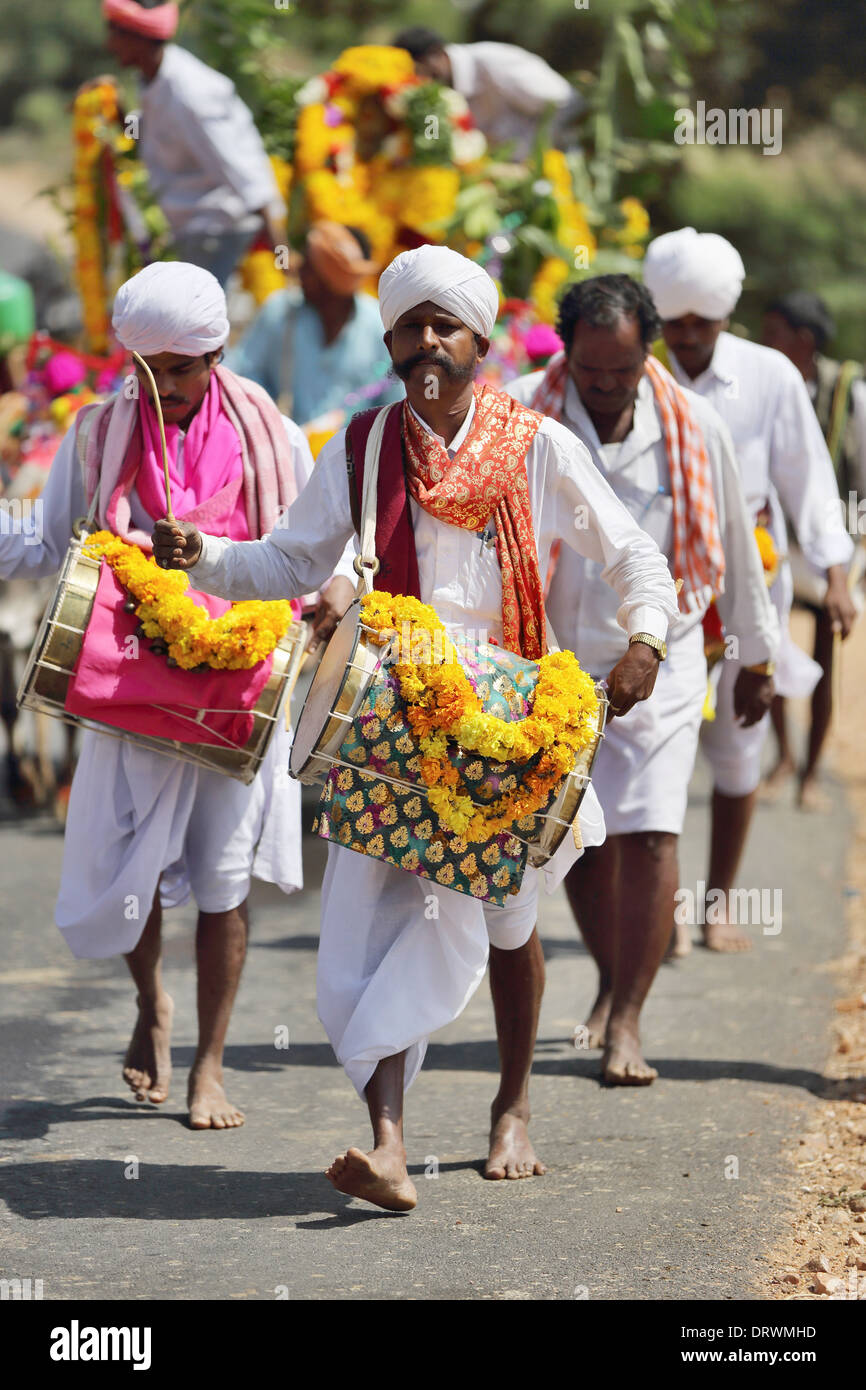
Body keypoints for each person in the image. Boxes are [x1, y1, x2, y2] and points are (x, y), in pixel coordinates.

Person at [153, 244, 679, 1210]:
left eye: (446, 325)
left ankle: (512, 1105)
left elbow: (635, 557)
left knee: (511, 921)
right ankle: (388, 1144)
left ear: (481, 341)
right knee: (374, 929)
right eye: (410, 325)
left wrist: (645, 640)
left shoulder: (537, 444)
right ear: (389, 340)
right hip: (388, 718)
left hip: (511, 719)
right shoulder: (358, 447)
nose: (427, 340)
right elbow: (287, 563)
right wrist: (205, 557)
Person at [0, 262, 354, 1128]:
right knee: (134, 868)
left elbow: (309, 544)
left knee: (223, 878)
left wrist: (333, 592)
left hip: (240, 681)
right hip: (126, 680)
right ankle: (151, 1003)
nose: (162, 387)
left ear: (216, 355)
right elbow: (50, 542)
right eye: (145, 369)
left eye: (181, 370)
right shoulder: (96, 433)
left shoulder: (269, 429)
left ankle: (210, 1064)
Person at [507, 276, 778, 1082]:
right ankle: (610, 976)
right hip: (553, 657)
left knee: (653, 831)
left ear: (646, 353)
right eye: (591, 372)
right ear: (567, 355)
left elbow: (732, 539)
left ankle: (627, 1019)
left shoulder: (694, 425)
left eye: (622, 371)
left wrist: (757, 657)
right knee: (585, 842)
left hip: (667, 654)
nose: (606, 386)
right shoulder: (521, 413)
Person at [643, 228, 856, 953]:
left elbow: (808, 481)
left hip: (747, 594)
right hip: (658, 596)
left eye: (703, 324)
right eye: (676, 325)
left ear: (726, 318)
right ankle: (658, 911)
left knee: (738, 749)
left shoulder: (770, 377)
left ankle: (720, 905)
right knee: (658, 746)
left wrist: (835, 573)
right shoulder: (638, 375)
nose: (689, 337)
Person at [761, 291, 866, 809]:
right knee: (771, 646)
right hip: (775, 547)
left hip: (830, 549)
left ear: (803, 341)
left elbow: (861, 479)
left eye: (774, 332)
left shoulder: (849, 392)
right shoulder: (767, 385)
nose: (765, 341)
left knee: (826, 654)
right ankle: (783, 757)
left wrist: (849, 555)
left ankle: (811, 770)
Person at [100, 0, 283, 286]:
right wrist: (114, 108)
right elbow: (145, 135)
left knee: (199, 321)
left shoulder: (191, 91)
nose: (110, 44)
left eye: (114, 34)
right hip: (197, 227)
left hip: (218, 227)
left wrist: (281, 250)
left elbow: (238, 166)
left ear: (137, 38)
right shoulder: (152, 77)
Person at [227, 222, 402, 424]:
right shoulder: (280, 310)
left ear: (329, 282)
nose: (299, 271)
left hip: (359, 450)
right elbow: (243, 373)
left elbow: (394, 397)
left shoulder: (378, 325)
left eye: (309, 267)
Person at [393, 27, 581, 158]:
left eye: (419, 70)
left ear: (437, 53)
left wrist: (531, 155)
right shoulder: (438, 94)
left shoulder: (495, 64)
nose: (419, 80)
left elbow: (566, 106)